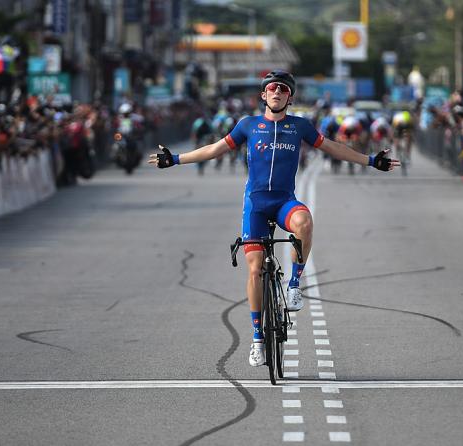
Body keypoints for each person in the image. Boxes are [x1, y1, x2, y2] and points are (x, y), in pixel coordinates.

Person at [149, 70, 399, 367]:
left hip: (283, 201)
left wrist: (371, 161)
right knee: (254, 269)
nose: (277, 92)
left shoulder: (300, 127)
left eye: (283, 89)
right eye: (271, 88)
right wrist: (175, 159)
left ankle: (294, 285)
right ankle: (257, 339)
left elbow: (333, 147)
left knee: (304, 221)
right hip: (256, 205)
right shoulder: (248, 126)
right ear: (263, 95)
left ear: (289, 97)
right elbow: (215, 149)